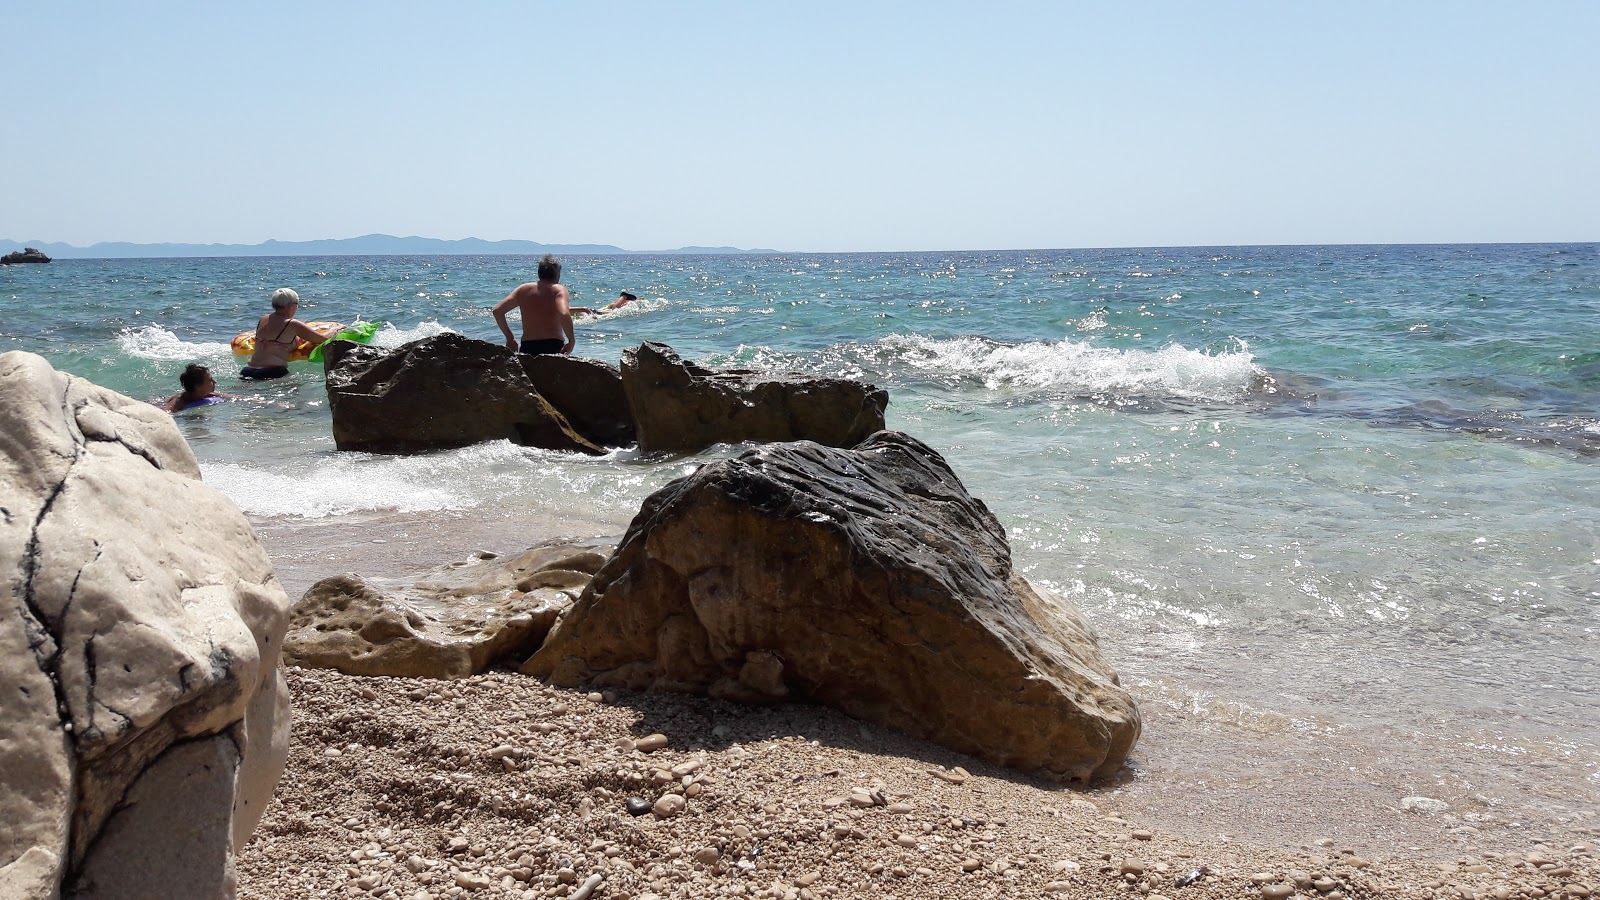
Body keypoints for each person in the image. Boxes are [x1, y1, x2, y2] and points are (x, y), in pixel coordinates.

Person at [493, 254, 574, 355]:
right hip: (553, 345)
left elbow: (497, 311)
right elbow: (563, 313)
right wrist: (571, 341)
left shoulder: (523, 289)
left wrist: (510, 338)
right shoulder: (558, 289)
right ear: (557, 274)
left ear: (539, 272)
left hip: (528, 346)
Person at [242, 287, 328, 379]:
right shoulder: (292, 324)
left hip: (248, 370)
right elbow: (322, 339)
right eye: (297, 304)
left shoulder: (263, 319)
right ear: (291, 305)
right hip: (272, 372)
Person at [162, 364, 233, 412]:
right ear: (198, 386)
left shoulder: (208, 394)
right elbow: (164, 414)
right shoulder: (179, 401)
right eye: (210, 380)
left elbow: (236, 398)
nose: (215, 382)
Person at [571, 290, 637, 316]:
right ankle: (623, 297)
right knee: (612, 308)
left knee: (614, 310)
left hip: (594, 312)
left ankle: (624, 296)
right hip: (594, 311)